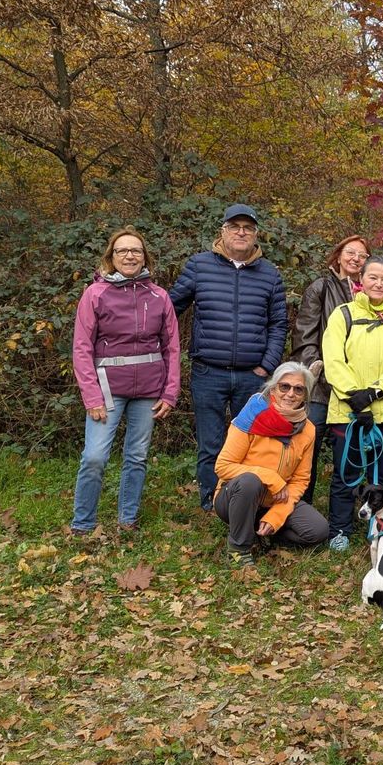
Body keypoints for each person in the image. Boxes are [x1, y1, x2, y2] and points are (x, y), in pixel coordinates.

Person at [169, 203, 287, 515]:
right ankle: (211, 501)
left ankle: (244, 501)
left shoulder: (270, 274)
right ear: (223, 231)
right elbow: (169, 309)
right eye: (235, 226)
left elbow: (278, 324)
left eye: (248, 228)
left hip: (252, 374)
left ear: (256, 235)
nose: (241, 232)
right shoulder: (200, 266)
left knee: (251, 441)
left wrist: (267, 365)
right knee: (211, 443)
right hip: (209, 372)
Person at [70, 228, 180, 535]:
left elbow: (172, 347)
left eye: (135, 251)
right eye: (122, 251)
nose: (129, 256)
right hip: (106, 390)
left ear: (145, 257)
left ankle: (127, 520)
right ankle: (83, 524)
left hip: (148, 392)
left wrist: (170, 392)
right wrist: (91, 397)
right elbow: (81, 347)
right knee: (94, 457)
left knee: (137, 456)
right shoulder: (95, 294)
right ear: (111, 257)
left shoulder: (160, 296)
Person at [320, 253, 383, 551]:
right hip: (347, 411)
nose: (378, 283)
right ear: (361, 279)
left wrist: (375, 392)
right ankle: (340, 530)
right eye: (373, 277)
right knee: (346, 474)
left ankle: (382, 529)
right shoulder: (343, 314)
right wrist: (355, 397)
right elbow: (333, 359)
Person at [212, 363, 329, 565]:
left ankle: (261, 531)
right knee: (250, 481)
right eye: (284, 386)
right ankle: (238, 548)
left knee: (318, 530)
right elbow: (223, 465)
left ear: (305, 395)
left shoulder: (308, 429)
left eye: (298, 389)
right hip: (234, 496)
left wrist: (276, 516)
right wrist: (271, 477)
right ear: (273, 388)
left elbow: (301, 480)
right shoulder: (251, 415)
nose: (290, 394)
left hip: (274, 501)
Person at [291, 234, 370, 505]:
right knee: (306, 453)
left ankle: (344, 517)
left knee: (348, 453)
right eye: (351, 252)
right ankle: (301, 510)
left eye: (362, 255)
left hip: (354, 390)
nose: (356, 258)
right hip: (320, 389)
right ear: (338, 255)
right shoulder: (320, 288)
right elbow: (304, 337)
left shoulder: (371, 293)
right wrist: (322, 376)